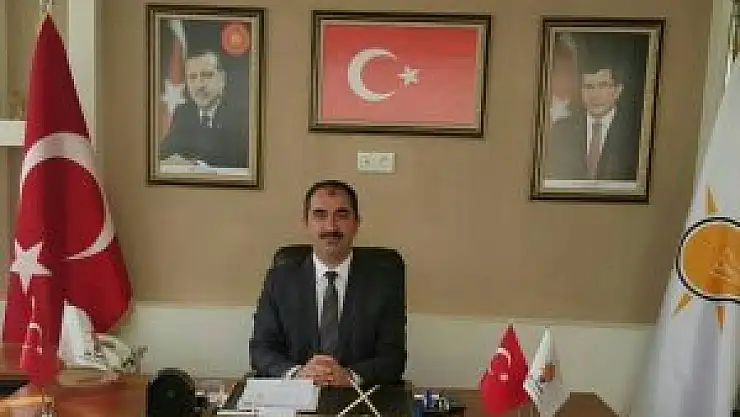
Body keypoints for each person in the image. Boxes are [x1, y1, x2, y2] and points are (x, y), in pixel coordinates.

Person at [249, 180, 407, 387]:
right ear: (306, 223)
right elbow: (261, 349)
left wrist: (349, 377)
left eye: (342, 215)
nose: (331, 227)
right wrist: (298, 374)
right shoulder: (279, 280)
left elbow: (393, 358)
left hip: (357, 395)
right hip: (296, 394)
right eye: (320, 215)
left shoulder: (383, 282)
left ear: (356, 223)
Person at [543, 51, 642, 181]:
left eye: (603, 86)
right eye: (589, 87)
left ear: (618, 90)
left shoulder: (636, 134)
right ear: (580, 91)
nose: (595, 95)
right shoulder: (561, 130)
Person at [159, 48, 249, 169]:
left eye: (207, 75)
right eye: (192, 77)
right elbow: (162, 154)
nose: (199, 85)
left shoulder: (242, 116)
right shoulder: (183, 112)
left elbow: (239, 162)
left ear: (222, 79)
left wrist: (195, 166)